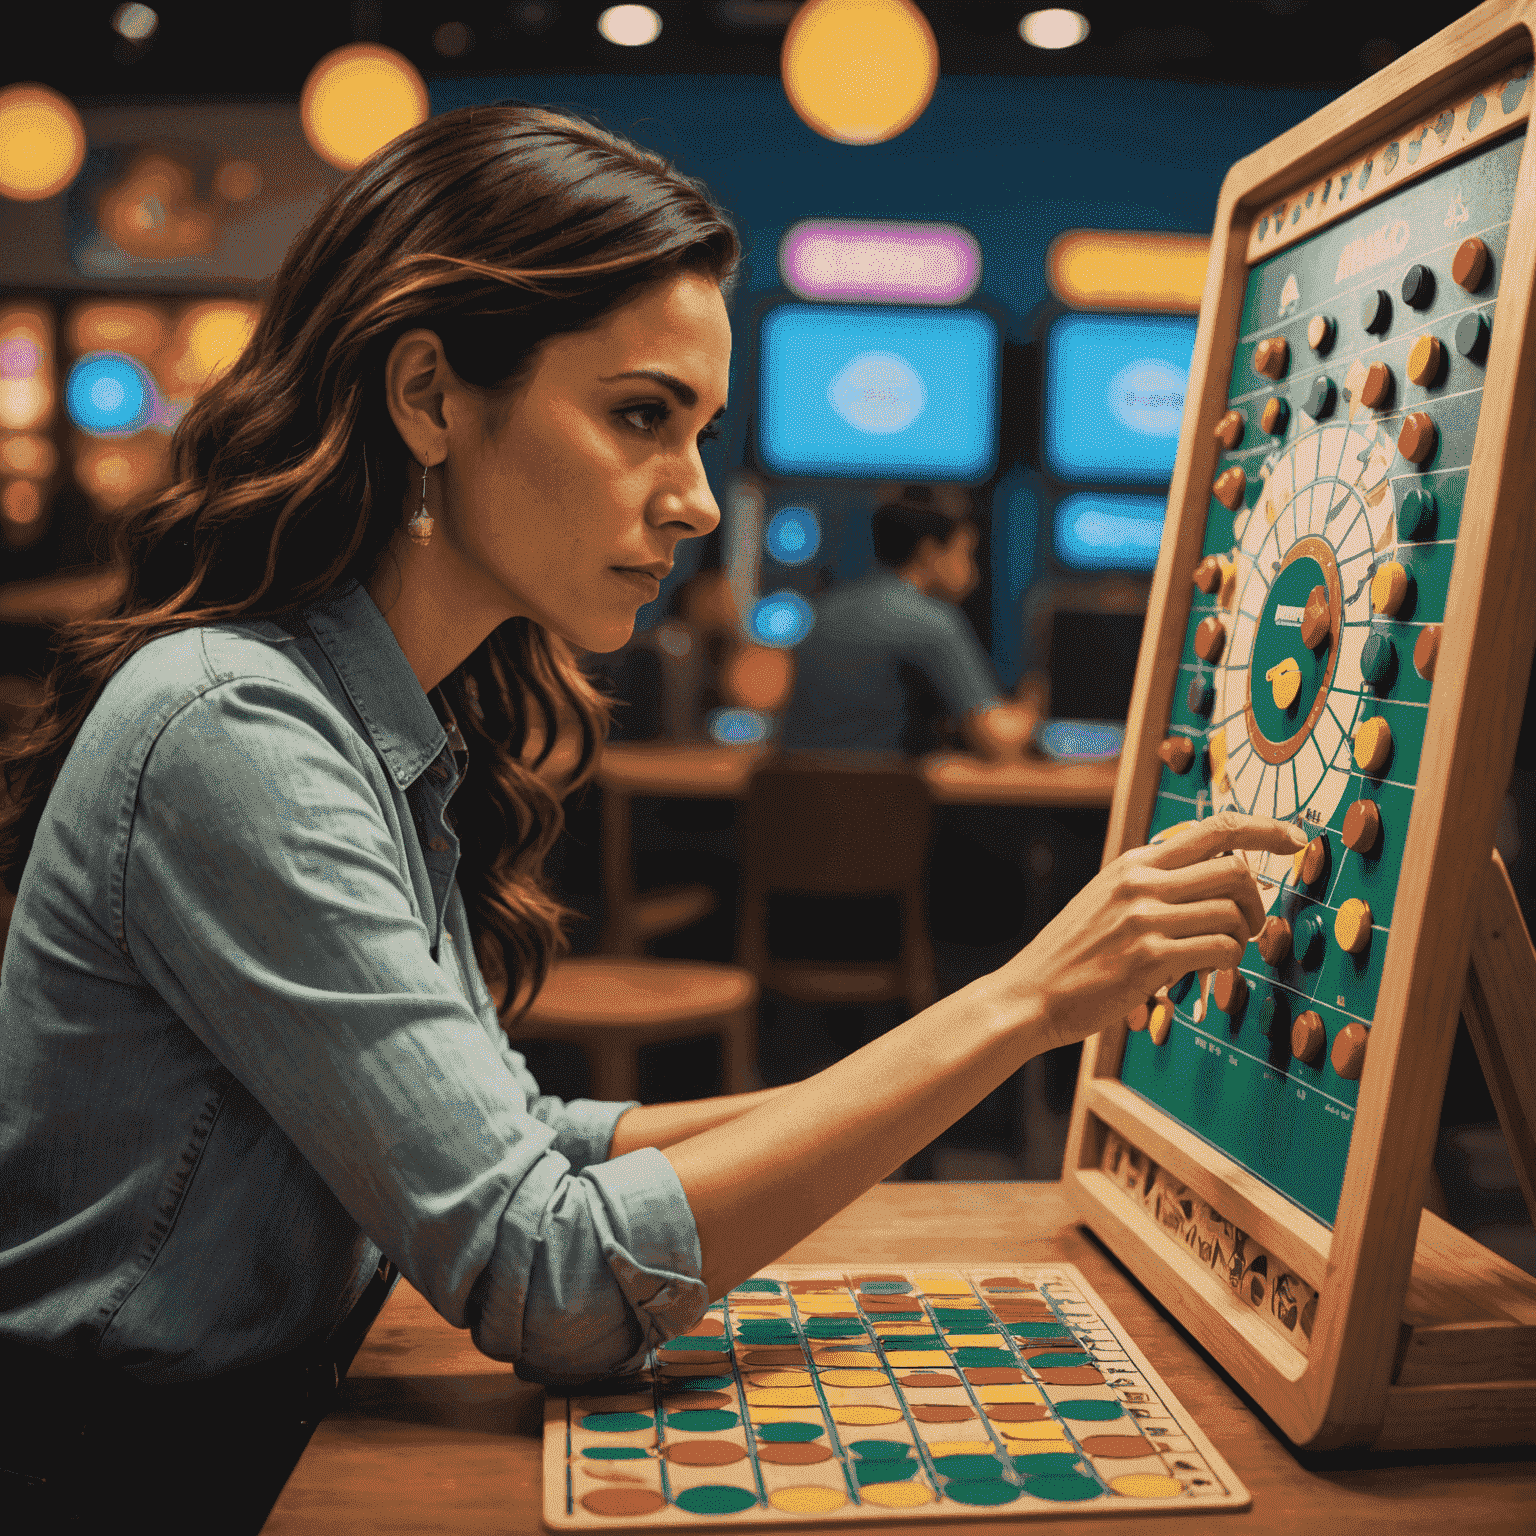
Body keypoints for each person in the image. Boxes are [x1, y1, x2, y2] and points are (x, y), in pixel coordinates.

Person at [0, 102, 1305, 1530]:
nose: (692, 499)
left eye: (699, 430)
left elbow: (522, 1139)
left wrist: (965, 1056)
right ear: (429, 395)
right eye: (640, 417)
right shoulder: (234, 729)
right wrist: (1015, 1007)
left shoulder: (361, 719)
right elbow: (553, 1280)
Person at [777, 488, 1035, 758]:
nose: (975, 573)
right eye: (966, 553)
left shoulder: (823, 612)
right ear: (929, 553)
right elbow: (999, 742)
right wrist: (1033, 704)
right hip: (886, 795)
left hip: (799, 791)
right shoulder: (931, 621)